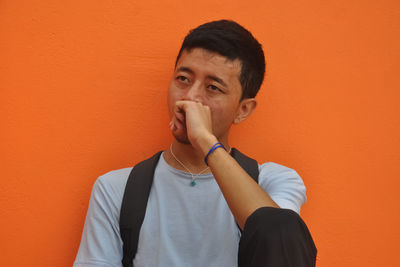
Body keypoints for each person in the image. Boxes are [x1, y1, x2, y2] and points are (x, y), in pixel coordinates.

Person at [74, 20, 317, 267]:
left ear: (243, 110)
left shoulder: (274, 181)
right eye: (183, 79)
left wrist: (204, 141)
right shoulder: (116, 188)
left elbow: (280, 247)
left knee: (281, 225)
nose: (189, 97)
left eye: (212, 87)